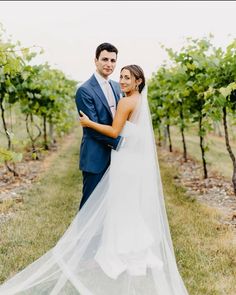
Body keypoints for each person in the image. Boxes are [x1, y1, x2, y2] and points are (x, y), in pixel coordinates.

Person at [0, 65, 189, 295]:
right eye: (121, 76)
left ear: (138, 81)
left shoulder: (125, 101)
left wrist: (88, 124)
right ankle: (135, 250)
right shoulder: (139, 100)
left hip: (123, 159)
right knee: (129, 205)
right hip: (133, 160)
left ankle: (117, 251)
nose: (122, 80)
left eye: (127, 77)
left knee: (120, 204)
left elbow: (113, 131)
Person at [75, 42, 124, 210]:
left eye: (113, 60)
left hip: (117, 158)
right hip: (95, 156)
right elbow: (91, 128)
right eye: (104, 59)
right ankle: (83, 237)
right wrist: (120, 143)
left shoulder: (117, 86)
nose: (109, 64)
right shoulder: (85, 90)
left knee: (110, 204)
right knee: (90, 204)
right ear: (95, 61)